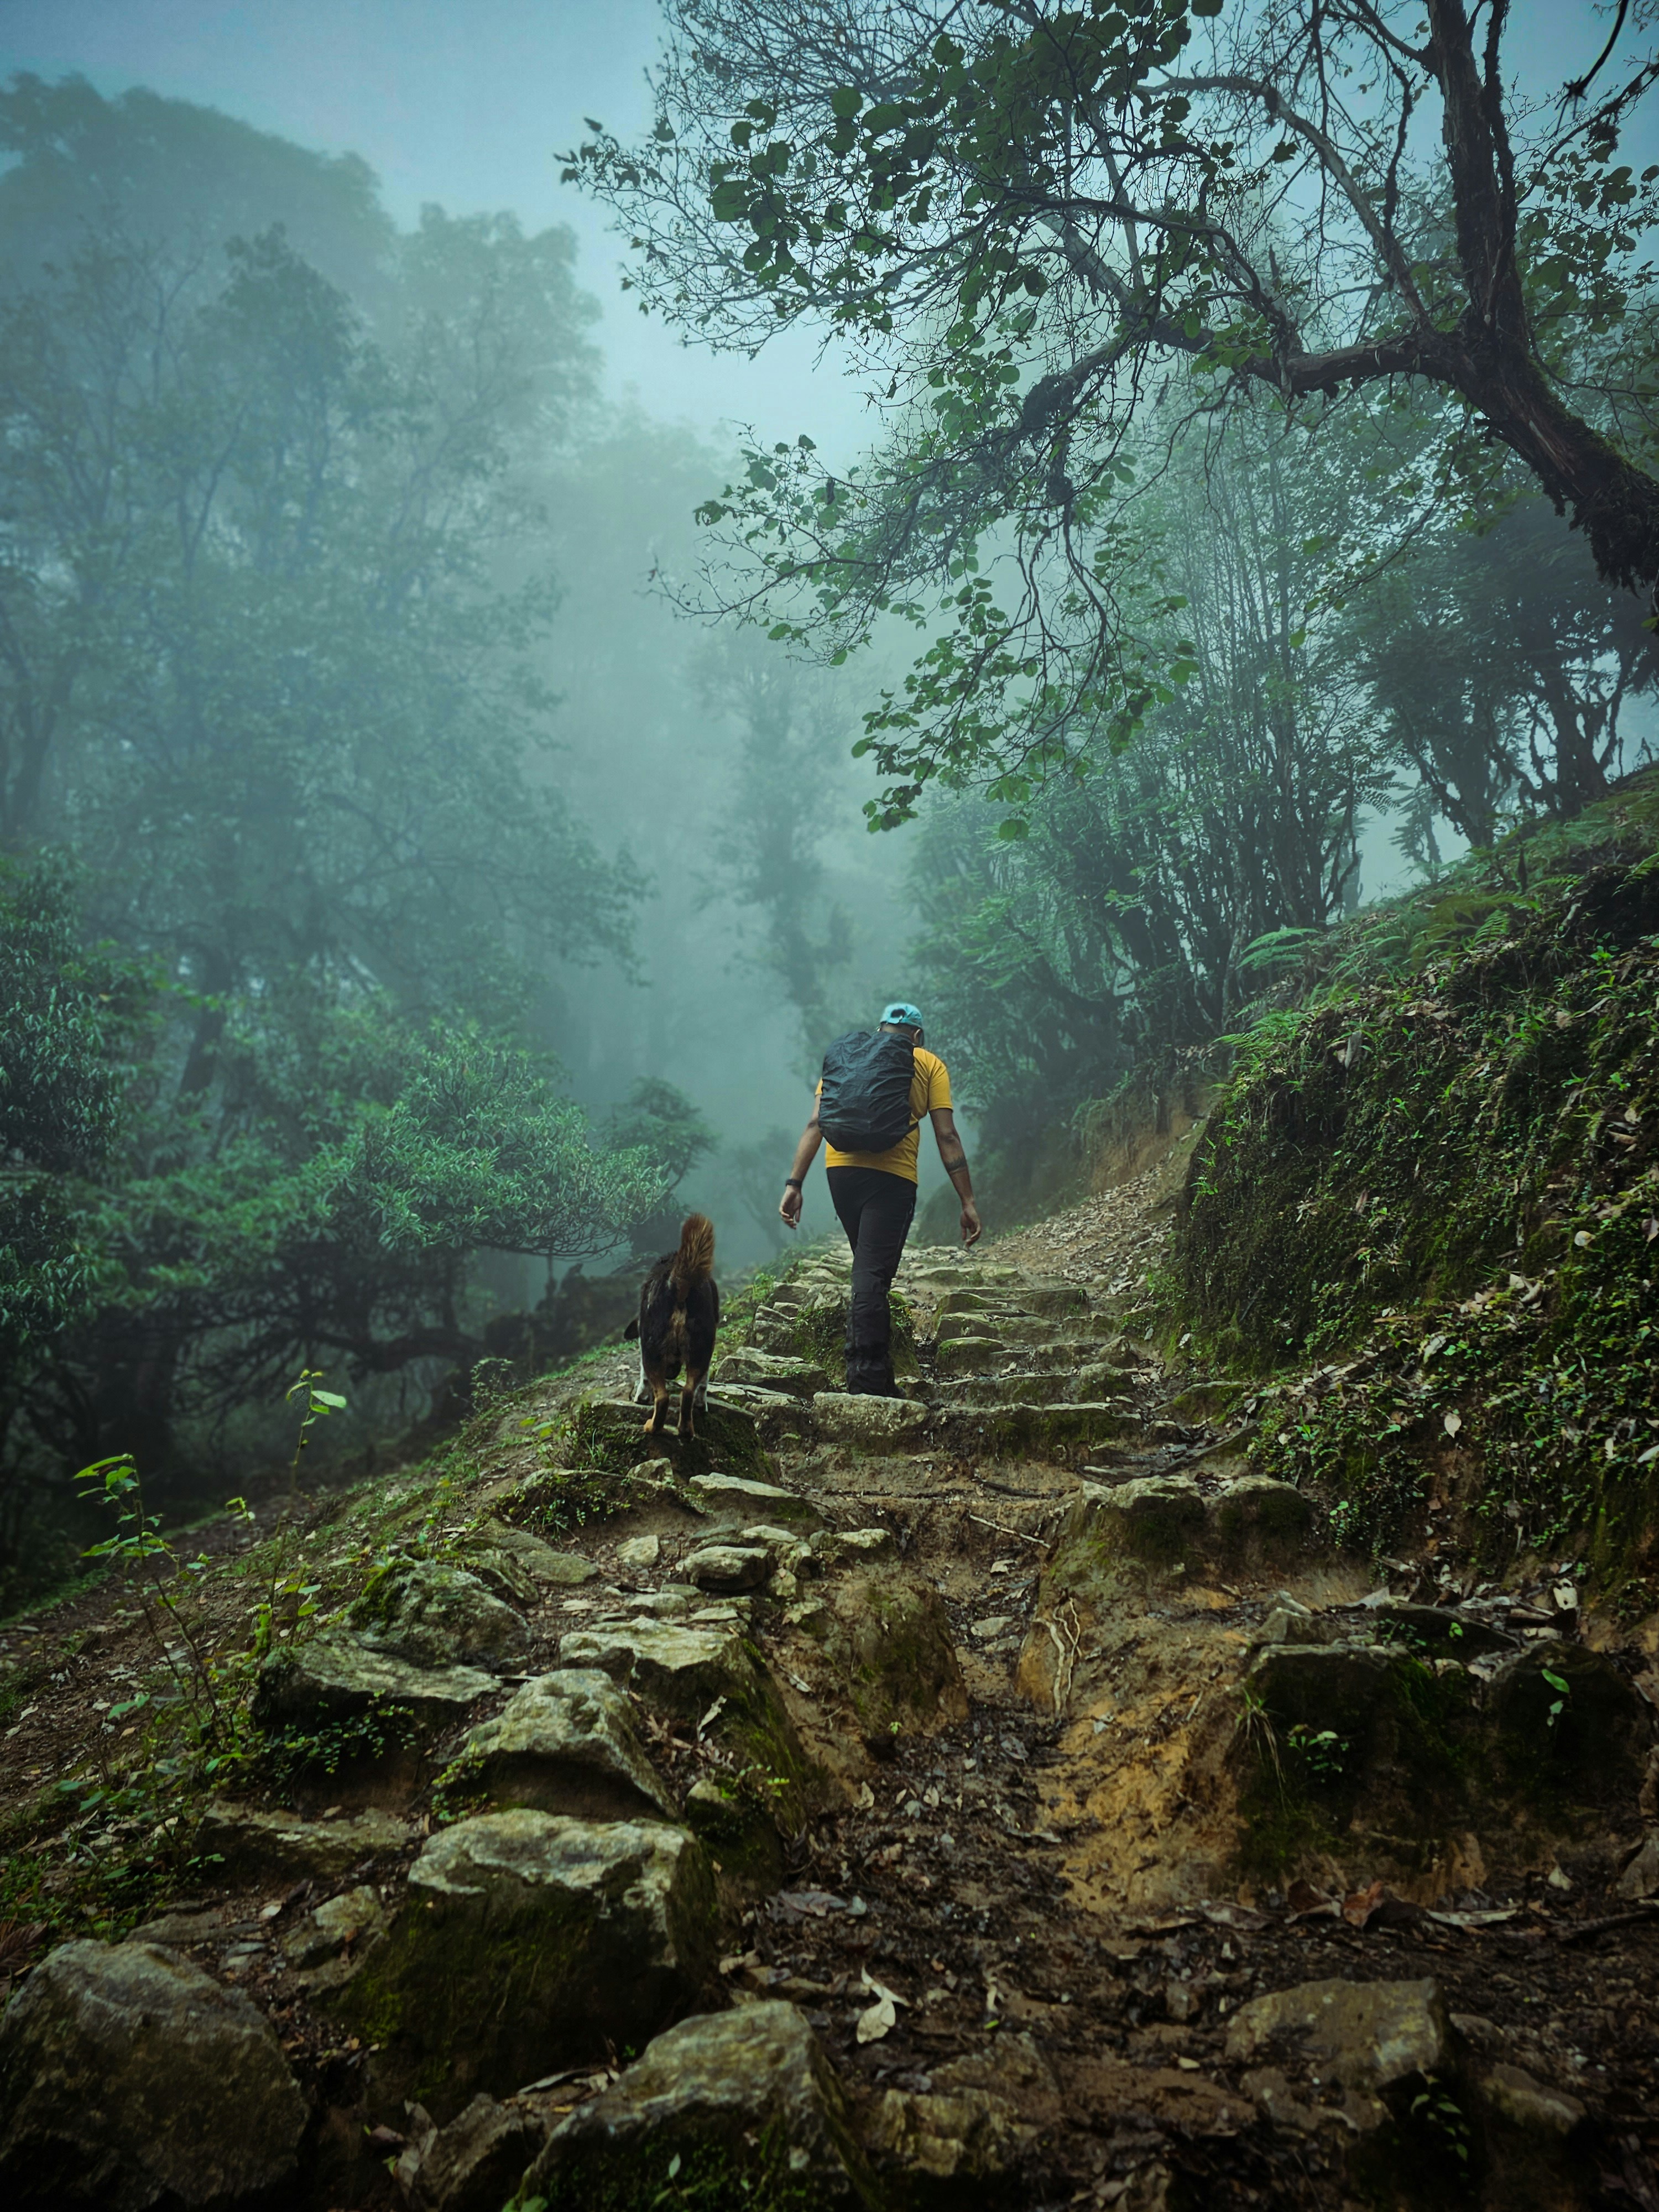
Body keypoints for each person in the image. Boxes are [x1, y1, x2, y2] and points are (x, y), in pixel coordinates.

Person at [779, 1001, 980, 1396]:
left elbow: (815, 1122)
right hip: (891, 1179)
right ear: (917, 1036)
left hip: (840, 1174)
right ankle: (866, 1378)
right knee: (871, 1275)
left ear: (880, 1029)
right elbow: (947, 1136)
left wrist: (794, 1183)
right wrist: (968, 1200)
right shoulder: (928, 1063)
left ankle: (876, 1369)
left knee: (868, 1270)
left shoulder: (849, 1057)